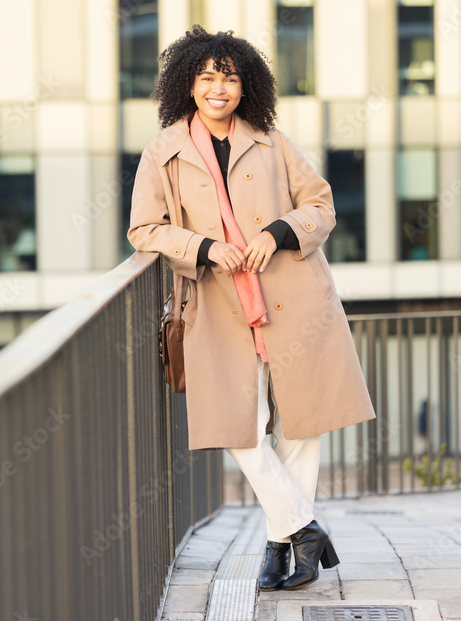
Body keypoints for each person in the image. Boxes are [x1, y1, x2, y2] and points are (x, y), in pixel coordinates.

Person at [126, 26, 376, 591]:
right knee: (239, 428)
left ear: (246, 88)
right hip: (217, 304)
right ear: (188, 84)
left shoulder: (271, 140)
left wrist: (283, 230)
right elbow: (143, 229)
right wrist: (205, 248)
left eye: (230, 78)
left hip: (296, 295)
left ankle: (283, 544)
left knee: (301, 425)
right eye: (208, 76)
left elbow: (321, 203)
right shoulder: (162, 152)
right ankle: (303, 528)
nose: (219, 87)